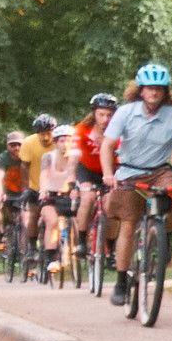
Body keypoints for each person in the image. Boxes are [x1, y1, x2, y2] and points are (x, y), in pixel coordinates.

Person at [100, 63, 172, 309]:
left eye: (159, 88)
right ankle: (121, 280)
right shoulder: (126, 112)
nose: (154, 93)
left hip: (159, 171)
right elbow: (107, 145)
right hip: (129, 171)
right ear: (140, 90)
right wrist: (108, 174)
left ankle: (161, 238)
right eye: (149, 88)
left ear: (165, 91)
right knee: (127, 223)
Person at [72, 94, 119, 266]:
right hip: (87, 170)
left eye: (109, 115)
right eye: (101, 114)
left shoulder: (118, 131)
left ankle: (112, 249)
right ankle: (81, 241)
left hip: (111, 171)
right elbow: (74, 155)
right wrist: (71, 178)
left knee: (112, 204)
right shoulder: (82, 130)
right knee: (88, 198)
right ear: (94, 113)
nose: (105, 119)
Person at [33, 126, 77, 277]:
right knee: (52, 222)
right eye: (61, 140)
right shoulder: (48, 157)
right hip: (50, 196)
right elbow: (44, 175)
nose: (65, 144)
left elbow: (76, 175)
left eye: (68, 140)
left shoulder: (77, 157)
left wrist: (75, 189)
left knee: (82, 217)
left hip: (69, 195)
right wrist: (43, 190)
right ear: (56, 142)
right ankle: (52, 257)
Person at [0, 132, 29, 255]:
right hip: (4, 192)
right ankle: (0, 233)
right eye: (12, 145)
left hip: (24, 193)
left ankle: (24, 252)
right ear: (7, 146)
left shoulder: (29, 157)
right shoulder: (2, 158)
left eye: (19, 144)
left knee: (26, 220)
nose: (16, 148)